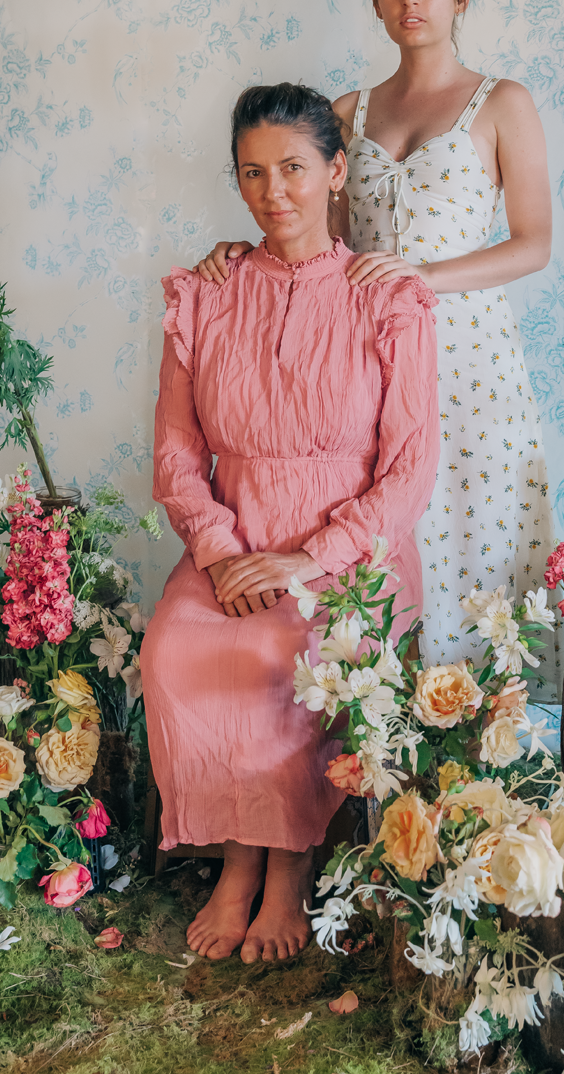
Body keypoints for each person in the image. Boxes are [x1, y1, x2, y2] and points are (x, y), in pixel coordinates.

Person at [198, 0, 557, 685]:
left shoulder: (503, 103)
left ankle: (489, 755)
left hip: (470, 359)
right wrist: (239, 253)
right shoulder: (348, 112)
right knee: (389, 545)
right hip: (372, 368)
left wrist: (422, 277)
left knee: (479, 543)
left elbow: (533, 244)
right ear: (374, 0)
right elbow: (311, 236)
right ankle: (388, 746)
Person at [143, 82, 439, 965]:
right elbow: (174, 451)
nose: (275, 192)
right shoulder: (204, 294)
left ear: (335, 171)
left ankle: (288, 872)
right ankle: (238, 861)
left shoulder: (385, 297)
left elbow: (410, 467)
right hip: (234, 539)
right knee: (176, 647)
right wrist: (225, 551)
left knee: (287, 655)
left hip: (349, 548)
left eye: (296, 169)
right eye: (254, 173)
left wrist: (309, 559)